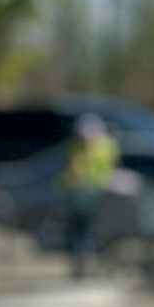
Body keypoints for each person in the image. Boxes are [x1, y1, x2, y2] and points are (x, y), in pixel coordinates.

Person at [62, 114, 119, 277]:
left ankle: (89, 264)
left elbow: (106, 172)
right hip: (79, 195)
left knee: (91, 233)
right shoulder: (77, 146)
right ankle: (80, 265)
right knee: (79, 233)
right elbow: (72, 171)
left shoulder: (105, 147)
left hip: (96, 195)